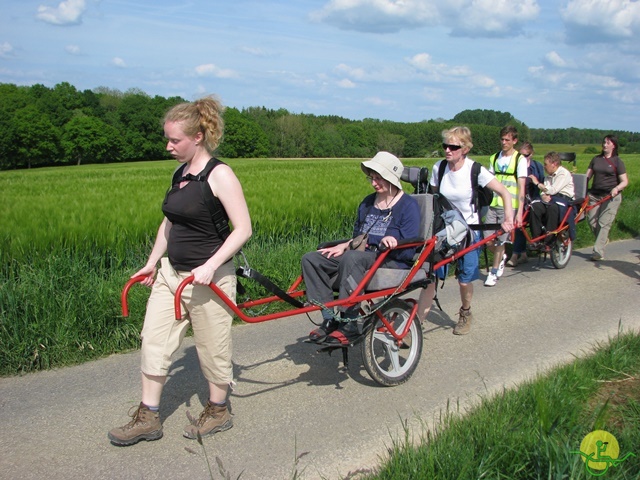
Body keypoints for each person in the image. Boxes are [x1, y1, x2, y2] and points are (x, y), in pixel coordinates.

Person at [108, 96, 252, 446]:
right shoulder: (179, 173)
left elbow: (243, 229)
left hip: (210, 280)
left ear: (198, 137)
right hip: (172, 275)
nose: (168, 146)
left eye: (175, 140)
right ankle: (148, 417)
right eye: (167, 139)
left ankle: (219, 411)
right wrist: (152, 262)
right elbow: (169, 224)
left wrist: (211, 265)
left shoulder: (220, 175)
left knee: (212, 347)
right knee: (153, 341)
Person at [302, 152, 421, 345]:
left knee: (352, 258)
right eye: (371, 178)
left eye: (378, 178)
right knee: (312, 258)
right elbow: (358, 236)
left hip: (389, 258)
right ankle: (330, 318)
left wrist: (394, 240)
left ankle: (348, 324)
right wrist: (345, 244)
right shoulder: (367, 202)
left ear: (391, 178)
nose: (374, 183)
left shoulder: (408, 206)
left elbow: (409, 250)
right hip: (362, 253)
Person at [418, 127, 514, 335]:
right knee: (431, 277)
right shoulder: (439, 168)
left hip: (469, 232)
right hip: (444, 232)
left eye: (453, 146)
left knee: (464, 280)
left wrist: (508, 219)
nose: (448, 150)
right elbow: (434, 199)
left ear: (465, 148)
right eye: (445, 145)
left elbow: (505, 193)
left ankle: (465, 312)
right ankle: (416, 325)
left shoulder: (475, 170)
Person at [484, 125, 527, 287]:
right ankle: (501, 256)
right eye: (502, 139)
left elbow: (522, 187)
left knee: (501, 241)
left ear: (514, 141)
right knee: (487, 240)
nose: (503, 142)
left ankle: (493, 273)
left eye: (507, 140)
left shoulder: (519, 160)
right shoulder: (494, 158)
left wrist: (519, 213)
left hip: (509, 206)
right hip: (493, 204)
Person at [586, 135, 628, 261]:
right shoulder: (596, 159)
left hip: (610, 197)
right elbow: (587, 176)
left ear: (613, 145)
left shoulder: (617, 161)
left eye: (607, 143)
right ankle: (603, 239)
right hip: (594, 195)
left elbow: (625, 181)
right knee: (592, 222)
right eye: (604, 142)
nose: (604, 145)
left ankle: (598, 252)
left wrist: (617, 188)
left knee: (603, 223)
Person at [527, 152, 575, 250]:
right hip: (550, 198)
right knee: (534, 207)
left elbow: (552, 190)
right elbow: (545, 191)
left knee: (553, 208)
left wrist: (537, 183)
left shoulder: (563, 173)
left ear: (554, 164)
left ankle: (549, 242)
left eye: (546, 164)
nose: (544, 167)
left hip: (563, 200)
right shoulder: (548, 176)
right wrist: (543, 196)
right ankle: (536, 240)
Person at [507, 142, 544, 266]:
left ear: (531, 154)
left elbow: (543, 184)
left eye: (526, 155)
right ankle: (522, 254)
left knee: (520, 225)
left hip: (533, 199)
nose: (523, 158)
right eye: (521, 155)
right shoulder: (516, 165)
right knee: (519, 225)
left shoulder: (537, 167)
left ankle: (515, 255)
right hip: (519, 199)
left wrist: (535, 182)